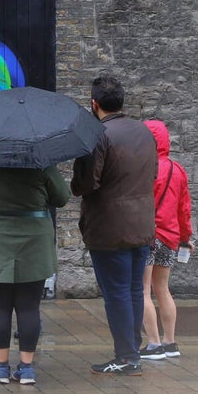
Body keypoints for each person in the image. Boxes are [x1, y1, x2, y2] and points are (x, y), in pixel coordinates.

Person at [71, 75, 157, 376]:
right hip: (143, 223)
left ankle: (126, 356)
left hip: (110, 228)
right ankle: (131, 353)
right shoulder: (144, 132)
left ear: (94, 104)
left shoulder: (98, 135)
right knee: (134, 289)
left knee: (118, 292)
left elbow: (85, 184)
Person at [0, 163, 71, 385]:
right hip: (34, 236)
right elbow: (61, 197)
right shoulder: (41, 163)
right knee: (29, 306)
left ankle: (1, 368)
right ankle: (27, 368)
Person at [139, 119, 194, 361]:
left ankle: (153, 344)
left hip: (149, 235)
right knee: (163, 289)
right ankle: (171, 343)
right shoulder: (178, 169)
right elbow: (184, 209)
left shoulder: (144, 168)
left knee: (142, 291)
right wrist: (185, 237)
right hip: (171, 237)